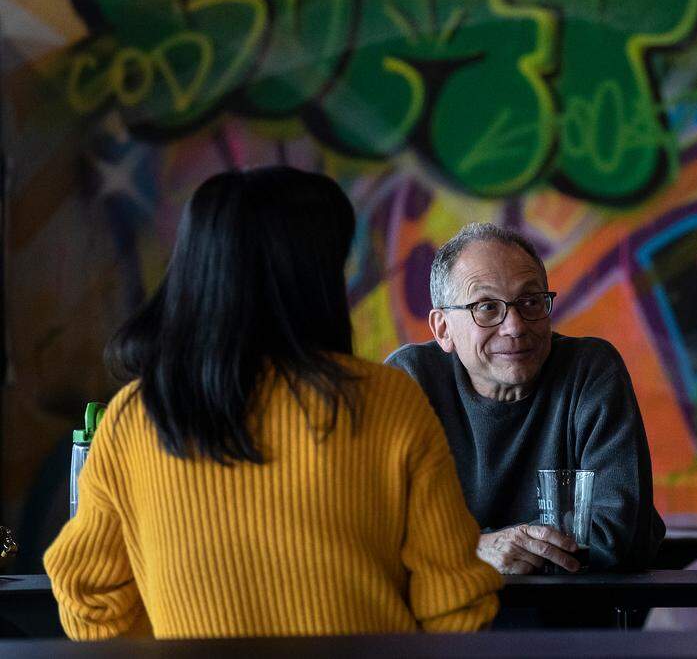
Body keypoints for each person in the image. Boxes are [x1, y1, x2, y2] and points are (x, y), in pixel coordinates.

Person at [44, 167, 501, 639]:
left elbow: (89, 602)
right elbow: (454, 606)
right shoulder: (387, 401)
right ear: (313, 278)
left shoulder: (134, 417)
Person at [387, 223, 664, 575]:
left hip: (571, 623)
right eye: (486, 307)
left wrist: (444, 548)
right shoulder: (409, 381)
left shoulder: (589, 371)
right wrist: (474, 549)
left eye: (531, 302)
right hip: (444, 625)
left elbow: (620, 538)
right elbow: (373, 531)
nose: (515, 326)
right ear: (443, 329)